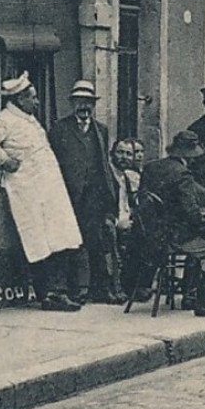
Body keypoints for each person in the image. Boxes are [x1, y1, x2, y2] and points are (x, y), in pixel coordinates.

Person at [0, 74, 84, 312]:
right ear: (21, 99)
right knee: (39, 241)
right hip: (29, 190)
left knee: (61, 237)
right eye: (33, 98)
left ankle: (59, 291)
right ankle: (49, 295)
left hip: (49, 188)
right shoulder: (5, 120)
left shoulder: (30, 120)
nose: (37, 102)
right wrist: (5, 161)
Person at [138, 131, 205, 319]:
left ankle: (191, 293)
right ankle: (203, 302)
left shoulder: (151, 168)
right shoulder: (182, 174)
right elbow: (190, 211)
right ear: (187, 155)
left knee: (200, 246)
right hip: (174, 238)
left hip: (151, 235)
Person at [48, 80, 119, 304]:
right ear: (72, 104)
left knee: (96, 243)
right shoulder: (59, 129)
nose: (84, 107)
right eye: (79, 102)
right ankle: (67, 290)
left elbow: (103, 165)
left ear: (93, 105)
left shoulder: (101, 130)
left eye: (87, 102)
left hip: (94, 198)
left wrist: (108, 200)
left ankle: (100, 289)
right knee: (68, 244)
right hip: (68, 196)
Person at [109, 137, 146, 300]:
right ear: (112, 154)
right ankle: (120, 287)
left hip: (127, 220)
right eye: (120, 153)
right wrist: (117, 221)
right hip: (110, 220)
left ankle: (136, 286)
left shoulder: (129, 177)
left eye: (128, 154)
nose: (124, 157)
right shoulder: (107, 175)